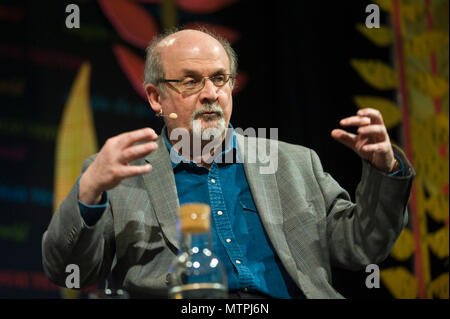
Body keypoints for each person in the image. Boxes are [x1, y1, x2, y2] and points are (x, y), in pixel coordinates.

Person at [42, 28, 415, 299]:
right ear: (156, 98)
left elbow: (362, 247)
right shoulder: (120, 173)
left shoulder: (294, 164)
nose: (210, 94)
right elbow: (68, 272)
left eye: (220, 79)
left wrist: (384, 171)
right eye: (190, 81)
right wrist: (90, 191)